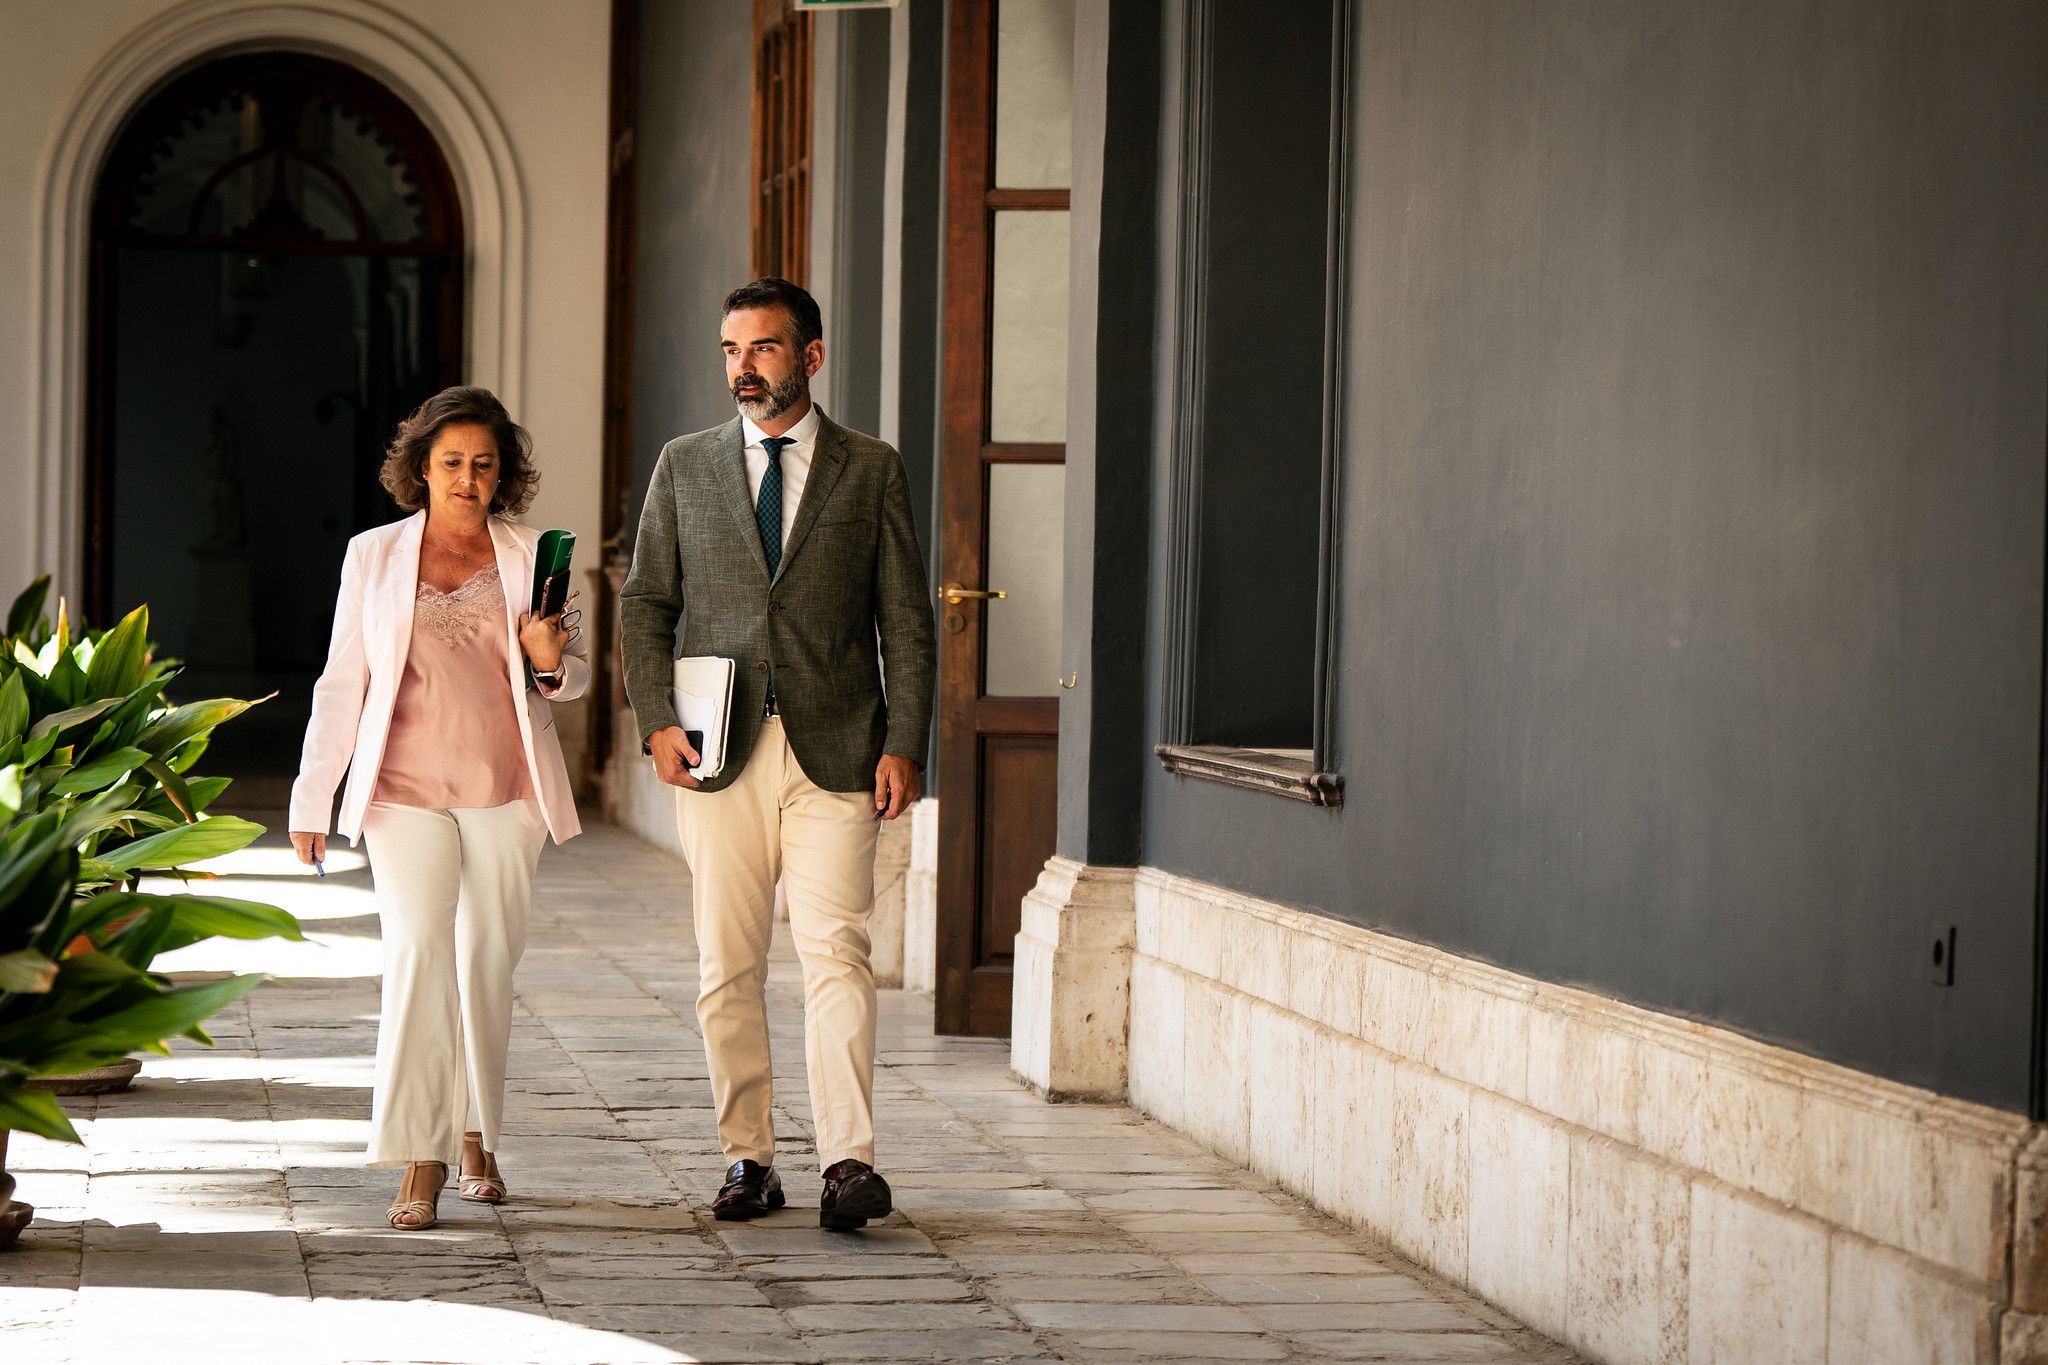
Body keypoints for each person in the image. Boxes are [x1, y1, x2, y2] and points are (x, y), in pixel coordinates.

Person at [621, 277, 936, 1230]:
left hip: (838, 747)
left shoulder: (870, 468)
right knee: (728, 963)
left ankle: (848, 1161)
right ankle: (748, 1158)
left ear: (811, 355)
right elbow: (646, 603)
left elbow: (905, 619)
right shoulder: (685, 464)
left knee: (837, 952)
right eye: (731, 349)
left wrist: (905, 740)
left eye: (761, 347)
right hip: (719, 749)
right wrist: (655, 719)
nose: (742, 368)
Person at [288, 386, 587, 1231]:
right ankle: (420, 1154)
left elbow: (572, 677)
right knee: (420, 951)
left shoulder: (535, 554)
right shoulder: (372, 556)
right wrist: (314, 794)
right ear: (421, 467)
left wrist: (548, 659)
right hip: (401, 790)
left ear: (502, 474)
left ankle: (476, 1136)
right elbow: (342, 680)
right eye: (451, 461)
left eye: (483, 464)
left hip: (507, 788)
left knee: (485, 960)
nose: (467, 478)